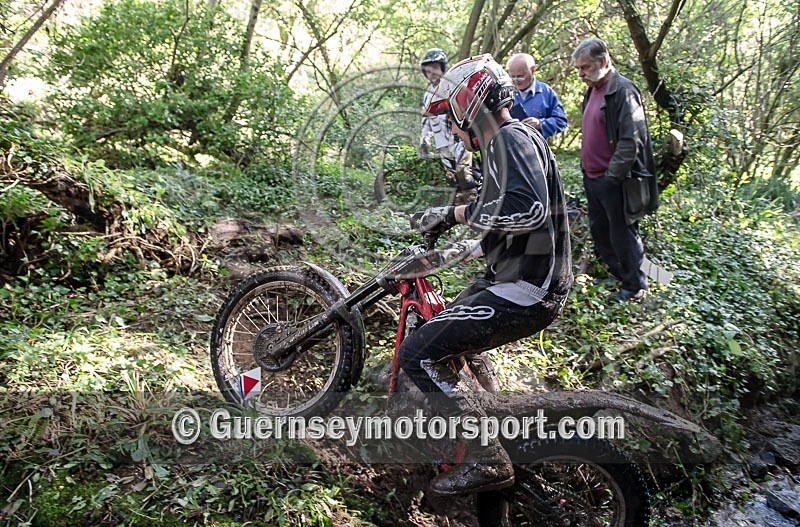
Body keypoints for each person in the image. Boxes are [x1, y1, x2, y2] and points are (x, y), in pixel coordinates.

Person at [401, 54, 573, 495]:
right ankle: (489, 414)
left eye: (453, 121)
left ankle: (488, 457)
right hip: (521, 279)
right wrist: (464, 246)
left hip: (528, 289)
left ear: (468, 106)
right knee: (453, 333)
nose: (455, 132)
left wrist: (455, 212)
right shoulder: (511, 142)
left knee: (417, 354)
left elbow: (528, 212)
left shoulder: (511, 139)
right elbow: (510, 222)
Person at [572, 37, 657, 302]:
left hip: (616, 181)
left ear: (604, 62)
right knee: (601, 232)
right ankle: (621, 275)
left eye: (585, 67)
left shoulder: (623, 90)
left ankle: (636, 285)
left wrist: (612, 177)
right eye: (579, 68)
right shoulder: (592, 90)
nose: (581, 74)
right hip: (593, 177)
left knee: (623, 235)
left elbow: (631, 140)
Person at [419, 48, 478, 203]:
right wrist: (424, 139)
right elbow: (426, 119)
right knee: (451, 177)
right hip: (441, 141)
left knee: (464, 172)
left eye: (435, 68)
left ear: (442, 68)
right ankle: (460, 209)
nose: (432, 72)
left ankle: (476, 203)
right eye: (428, 69)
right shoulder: (427, 94)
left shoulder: (453, 86)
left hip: (458, 137)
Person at [505, 53, 568, 139]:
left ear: (533, 70)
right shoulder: (506, 92)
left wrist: (540, 124)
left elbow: (561, 122)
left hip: (536, 149)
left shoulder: (546, 93)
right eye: (512, 77)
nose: (516, 81)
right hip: (510, 147)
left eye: (520, 76)